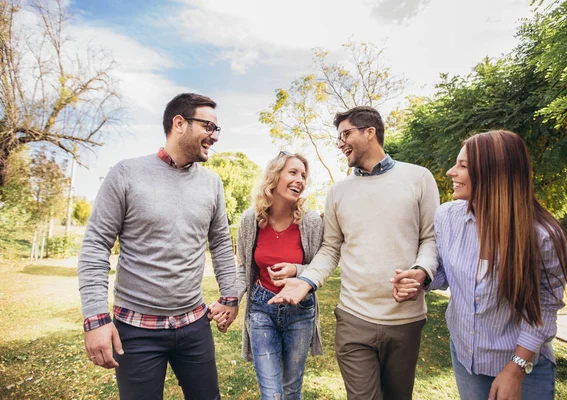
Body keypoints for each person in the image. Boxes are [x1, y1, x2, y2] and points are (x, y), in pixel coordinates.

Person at [269, 106, 440, 400]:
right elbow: (330, 249)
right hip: (353, 319)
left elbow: (431, 239)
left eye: (346, 134)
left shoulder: (419, 178)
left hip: (405, 321)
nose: (340, 143)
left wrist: (422, 272)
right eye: (339, 137)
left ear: (370, 132)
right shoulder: (338, 192)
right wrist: (307, 279)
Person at [77, 93, 238, 399]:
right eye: (209, 126)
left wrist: (230, 296)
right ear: (179, 123)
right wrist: (96, 318)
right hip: (136, 332)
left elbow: (219, 243)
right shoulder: (126, 173)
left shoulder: (212, 183)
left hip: (194, 326)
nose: (214, 136)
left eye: (217, 129)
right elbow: (96, 246)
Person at [395, 130, 567, 399]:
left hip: (524, 365)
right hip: (467, 360)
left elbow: (546, 307)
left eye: (463, 166)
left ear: (495, 173)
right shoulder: (447, 216)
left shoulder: (543, 236)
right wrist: (422, 278)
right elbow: (445, 270)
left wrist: (515, 370)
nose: (450, 172)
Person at [235, 151, 323, 400]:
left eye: (303, 175)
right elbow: (243, 268)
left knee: (291, 390)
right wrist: (230, 300)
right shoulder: (250, 220)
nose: (300, 180)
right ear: (275, 176)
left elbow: (322, 265)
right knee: (271, 393)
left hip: (300, 310)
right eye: (293, 172)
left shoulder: (310, 221)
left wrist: (297, 270)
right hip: (262, 308)